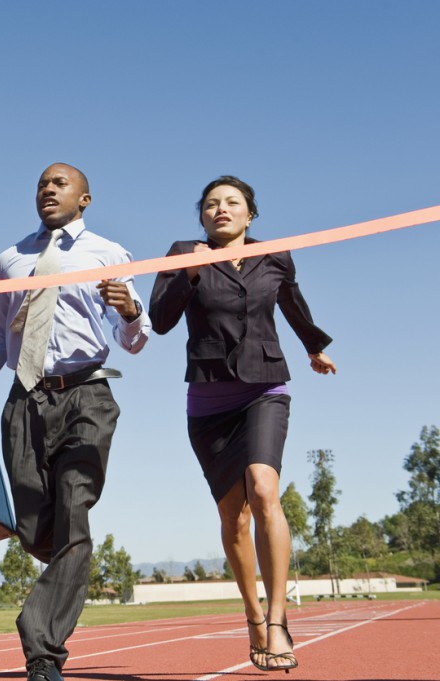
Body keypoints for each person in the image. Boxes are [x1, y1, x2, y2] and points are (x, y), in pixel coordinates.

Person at [0, 163, 150, 681]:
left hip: (87, 394)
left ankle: (41, 648)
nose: (49, 189)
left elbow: (136, 339)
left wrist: (129, 312)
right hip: (24, 399)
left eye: (60, 183)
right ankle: (66, 566)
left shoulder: (109, 253)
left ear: (84, 199)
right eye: (42, 183)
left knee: (74, 512)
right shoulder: (11, 259)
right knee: (38, 529)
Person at [148, 176, 337, 672]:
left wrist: (314, 347)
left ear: (250, 214)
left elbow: (293, 304)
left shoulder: (275, 255)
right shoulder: (183, 253)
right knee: (234, 517)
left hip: (264, 388)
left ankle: (277, 621)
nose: (221, 209)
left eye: (232, 203)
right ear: (202, 217)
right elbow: (161, 319)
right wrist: (188, 275)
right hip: (209, 398)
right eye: (211, 204)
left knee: (263, 487)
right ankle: (252, 614)